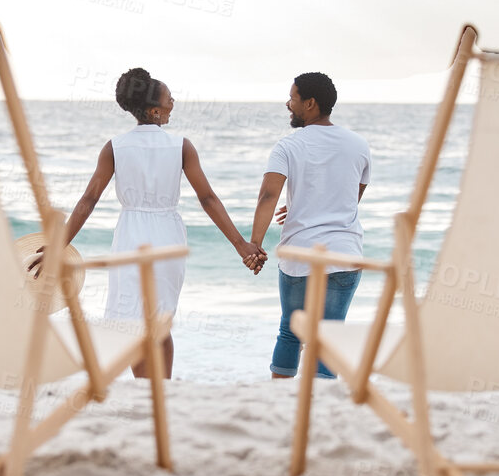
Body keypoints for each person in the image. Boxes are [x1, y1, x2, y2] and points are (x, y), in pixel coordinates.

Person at [31, 68, 265, 378]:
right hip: (168, 235)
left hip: (130, 235)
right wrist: (241, 246)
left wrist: (59, 246)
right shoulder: (181, 146)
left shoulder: (115, 146)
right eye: (169, 99)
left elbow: (88, 200)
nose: (173, 104)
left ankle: (146, 390)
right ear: (154, 111)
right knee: (161, 320)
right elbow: (208, 199)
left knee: (131, 322)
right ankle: (160, 391)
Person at [248, 72, 371, 379]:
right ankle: (319, 410)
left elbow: (268, 195)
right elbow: (351, 198)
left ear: (310, 103)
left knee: (290, 330)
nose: (288, 104)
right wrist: (309, 203)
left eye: (293, 98)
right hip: (344, 255)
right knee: (329, 338)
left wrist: (254, 244)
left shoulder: (288, 146)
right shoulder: (358, 145)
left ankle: (280, 400)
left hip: (300, 257)